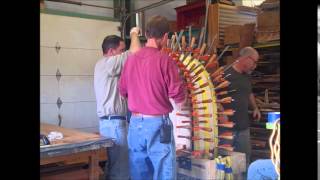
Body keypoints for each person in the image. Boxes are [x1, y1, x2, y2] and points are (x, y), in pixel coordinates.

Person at [118, 15, 186, 180]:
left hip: (135, 124)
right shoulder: (164, 60)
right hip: (157, 124)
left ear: (147, 34)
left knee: (139, 171)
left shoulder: (131, 60)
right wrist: (181, 103)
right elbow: (177, 94)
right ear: (164, 37)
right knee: (163, 170)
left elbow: (122, 90)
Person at [93, 27, 141, 180]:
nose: (123, 52)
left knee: (113, 166)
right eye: (121, 50)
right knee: (121, 169)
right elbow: (136, 52)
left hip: (109, 124)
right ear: (112, 52)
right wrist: (134, 32)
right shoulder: (109, 63)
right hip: (114, 125)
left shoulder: (102, 65)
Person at [222, 47, 261, 167]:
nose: (255, 66)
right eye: (254, 62)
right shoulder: (224, 73)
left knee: (244, 161)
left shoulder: (246, 75)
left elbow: (249, 92)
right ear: (246, 58)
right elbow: (213, 94)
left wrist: (255, 108)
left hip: (243, 127)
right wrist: (221, 111)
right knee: (226, 163)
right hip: (227, 128)